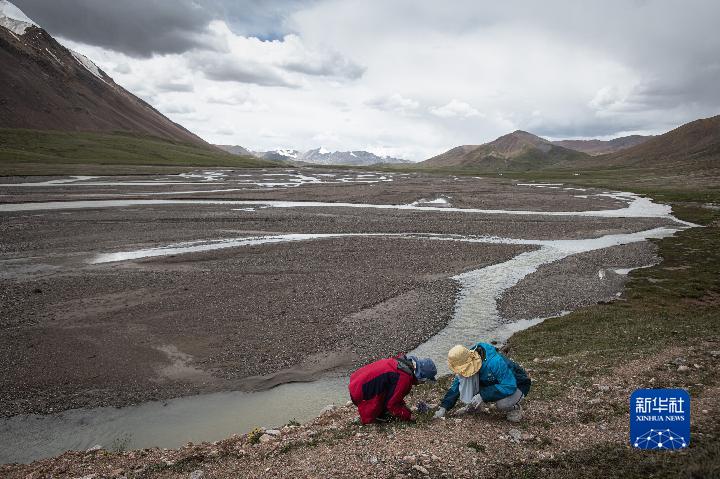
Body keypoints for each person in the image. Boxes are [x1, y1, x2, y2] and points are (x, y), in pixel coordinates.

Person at [433, 342, 530, 422]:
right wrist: (444, 407)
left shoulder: (494, 362)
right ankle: (475, 407)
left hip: (517, 384)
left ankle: (515, 408)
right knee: (467, 381)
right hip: (493, 383)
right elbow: (458, 385)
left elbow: (509, 385)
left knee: (502, 404)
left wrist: (482, 395)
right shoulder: (467, 359)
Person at [349, 354, 437, 424]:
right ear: (421, 376)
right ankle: (372, 416)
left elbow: (394, 393)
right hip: (359, 393)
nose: (422, 383)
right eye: (424, 381)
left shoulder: (402, 363)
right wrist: (409, 416)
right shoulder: (404, 378)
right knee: (377, 416)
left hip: (355, 381)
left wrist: (403, 407)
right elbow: (392, 404)